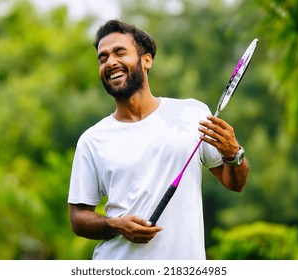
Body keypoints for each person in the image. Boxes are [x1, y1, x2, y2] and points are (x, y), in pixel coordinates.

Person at [68, 19, 249, 260]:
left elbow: (235, 184)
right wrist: (116, 225)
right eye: (103, 58)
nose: (110, 62)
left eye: (120, 52)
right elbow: (78, 218)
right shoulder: (92, 140)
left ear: (146, 59)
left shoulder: (192, 114)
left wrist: (233, 153)